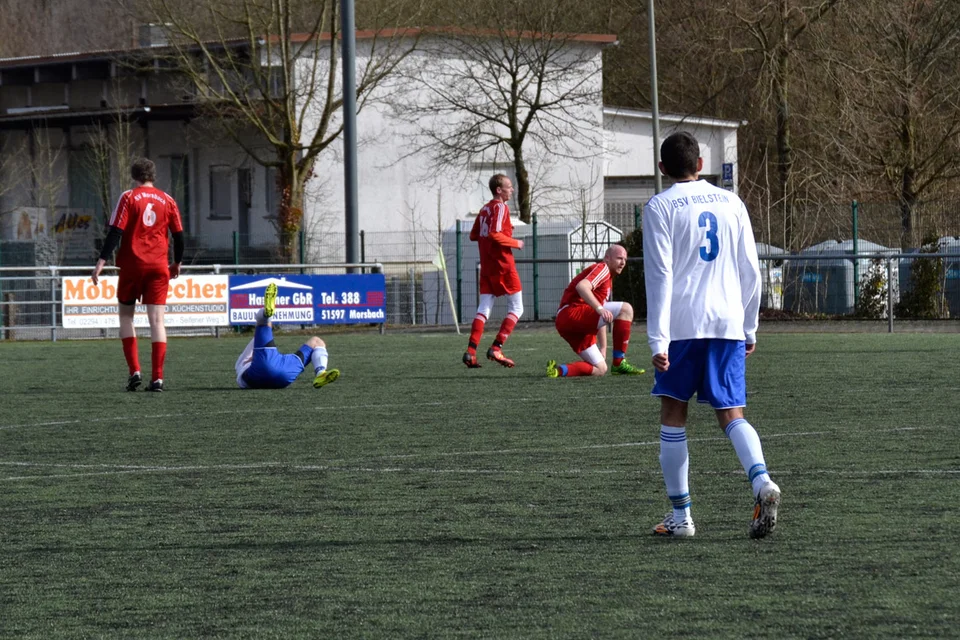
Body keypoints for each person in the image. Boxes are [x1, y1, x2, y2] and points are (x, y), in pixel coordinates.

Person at [642, 131, 780, 539]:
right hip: (726, 323)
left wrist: (657, 340)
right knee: (732, 413)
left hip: (683, 326)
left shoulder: (659, 207)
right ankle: (761, 481)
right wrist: (749, 325)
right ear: (700, 164)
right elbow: (750, 270)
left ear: (663, 168)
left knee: (673, 415)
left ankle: (681, 518)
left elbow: (661, 275)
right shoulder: (730, 201)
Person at [92, 157, 184, 392]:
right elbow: (179, 235)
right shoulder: (168, 199)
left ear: (134, 176)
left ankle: (134, 371)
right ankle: (158, 378)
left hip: (132, 266)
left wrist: (101, 261)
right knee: (157, 322)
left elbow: (115, 231)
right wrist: (177, 262)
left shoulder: (129, 197)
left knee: (126, 318)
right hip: (158, 266)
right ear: (153, 175)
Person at [546, 244, 646, 377]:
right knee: (626, 309)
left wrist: (603, 348)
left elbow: (602, 318)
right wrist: (599, 309)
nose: (623, 263)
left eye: (625, 260)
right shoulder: (602, 268)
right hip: (572, 313)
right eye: (619, 258)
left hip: (571, 325)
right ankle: (619, 362)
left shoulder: (608, 280)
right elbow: (582, 287)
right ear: (607, 258)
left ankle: (558, 370)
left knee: (600, 369)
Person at [462, 174, 524, 368]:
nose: (512, 190)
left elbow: (474, 235)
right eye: (509, 186)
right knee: (517, 308)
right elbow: (494, 234)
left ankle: (471, 352)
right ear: (499, 190)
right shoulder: (500, 207)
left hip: (487, 266)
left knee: (484, 308)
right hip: (502, 265)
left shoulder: (484, 209)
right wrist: (515, 242)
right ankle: (496, 347)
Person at [235, 283, 340, 390]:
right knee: (317, 342)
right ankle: (321, 373)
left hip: (256, 377)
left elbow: (245, 361)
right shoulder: (253, 348)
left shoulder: (243, 361)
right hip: (282, 377)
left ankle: (267, 313)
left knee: (263, 323)